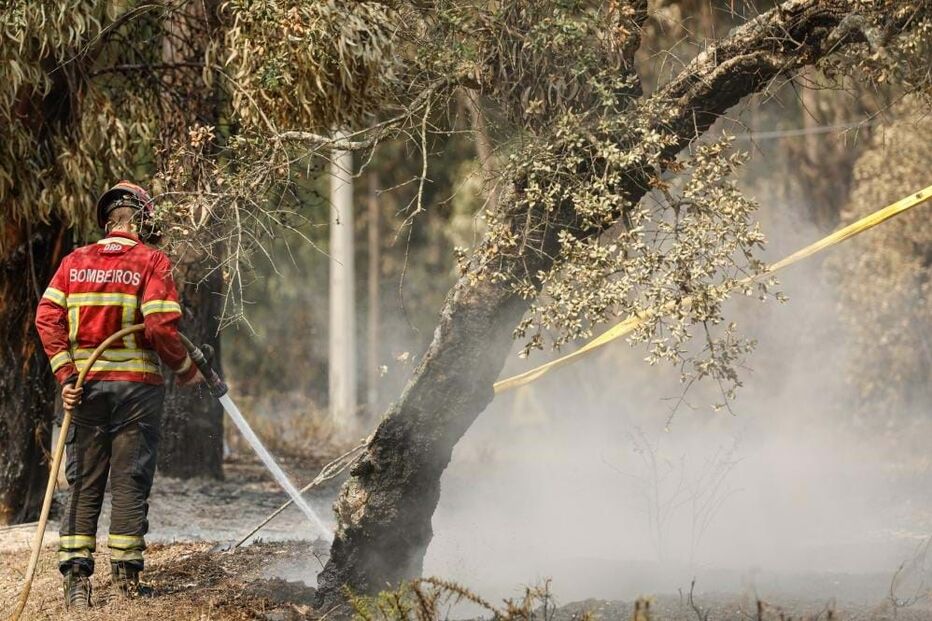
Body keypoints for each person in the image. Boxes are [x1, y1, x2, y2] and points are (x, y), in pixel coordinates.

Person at [34, 181, 205, 609]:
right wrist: (185, 369)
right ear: (142, 222)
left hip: (85, 392)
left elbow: (47, 317)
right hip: (136, 392)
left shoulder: (75, 262)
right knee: (130, 480)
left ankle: (77, 583)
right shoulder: (151, 260)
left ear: (107, 221)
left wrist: (67, 377)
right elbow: (160, 325)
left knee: (84, 483)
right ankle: (126, 580)